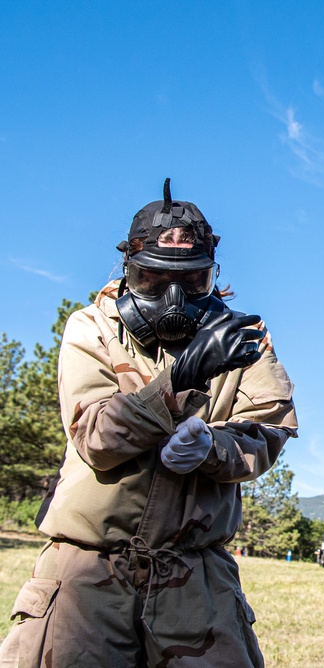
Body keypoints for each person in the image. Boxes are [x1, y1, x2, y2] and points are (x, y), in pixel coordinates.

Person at [0, 179, 297, 667]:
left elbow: (267, 429)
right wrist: (176, 382)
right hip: (87, 573)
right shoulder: (90, 327)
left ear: (211, 275)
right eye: (154, 281)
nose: (174, 298)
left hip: (197, 576)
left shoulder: (241, 336)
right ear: (128, 271)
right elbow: (95, 436)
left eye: (193, 282)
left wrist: (213, 450)